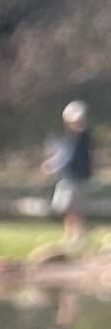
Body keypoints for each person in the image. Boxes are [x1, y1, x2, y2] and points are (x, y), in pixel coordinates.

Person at [46, 100, 94, 247]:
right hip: (67, 177)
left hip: (77, 178)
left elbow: (71, 157)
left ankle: (78, 236)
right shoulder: (69, 137)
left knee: (74, 207)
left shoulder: (83, 137)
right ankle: (70, 235)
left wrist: (53, 165)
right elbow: (62, 155)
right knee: (67, 208)